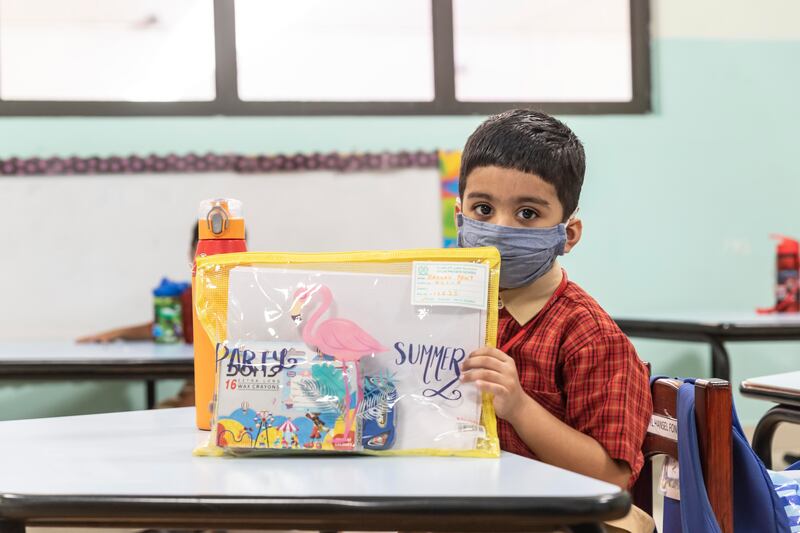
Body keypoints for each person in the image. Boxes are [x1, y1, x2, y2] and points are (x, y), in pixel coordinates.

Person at [456, 110, 653, 532]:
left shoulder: (589, 335)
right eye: (483, 208)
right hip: (476, 509)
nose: (500, 229)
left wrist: (519, 406)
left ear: (569, 234)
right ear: (459, 217)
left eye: (527, 213)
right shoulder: (449, 311)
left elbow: (612, 478)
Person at [77, 226, 200, 408]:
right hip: (196, 383)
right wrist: (117, 333)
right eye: (203, 254)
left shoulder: (243, 295)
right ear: (191, 254)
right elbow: (164, 328)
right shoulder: (190, 296)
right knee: (161, 413)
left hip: (224, 384)